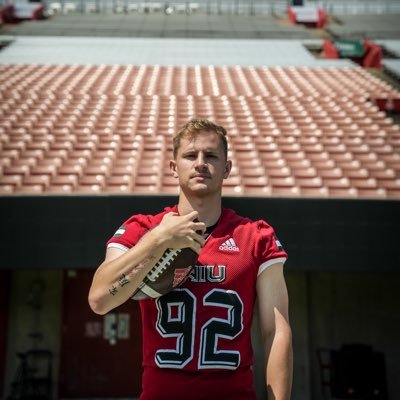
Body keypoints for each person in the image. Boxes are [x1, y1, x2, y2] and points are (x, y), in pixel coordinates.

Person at [88, 119, 293, 400]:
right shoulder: (142, 228)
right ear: (174, 168)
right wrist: (158, 239)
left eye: (210, 156)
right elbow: (99, 299)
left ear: (227, 169)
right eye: (189, 155)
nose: (200, 163)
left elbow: (276, 331)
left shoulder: (256, 237)